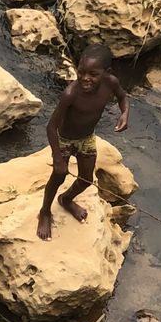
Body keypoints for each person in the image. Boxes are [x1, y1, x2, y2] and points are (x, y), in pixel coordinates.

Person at [37, 42, 130, 240]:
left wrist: (125, 113)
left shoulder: (111, 83)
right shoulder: (71, 94)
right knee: (58, 176)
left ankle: (66, 199)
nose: (85, 79)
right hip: (64, 140)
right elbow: (50, 127)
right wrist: (58, 158)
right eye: (81, 72)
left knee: (86, 179)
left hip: (86, 138)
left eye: (93, 74)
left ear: (106, 73)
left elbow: (123, 97)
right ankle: (45, 211)